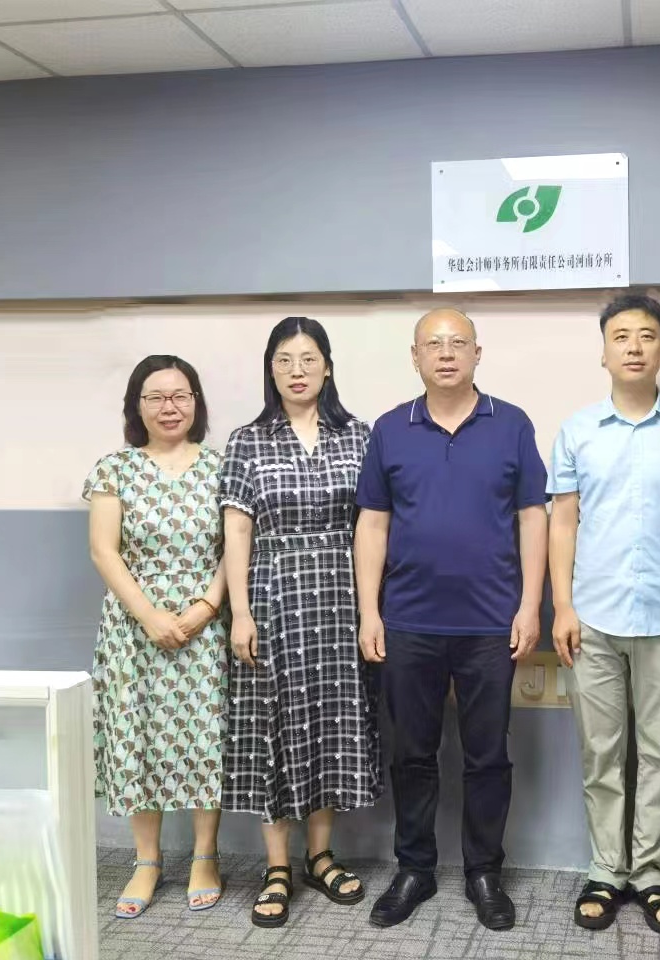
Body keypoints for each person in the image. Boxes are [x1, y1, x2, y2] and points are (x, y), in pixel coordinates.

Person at [354, 308, 548, 931]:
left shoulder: (511, 424)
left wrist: (530, 605)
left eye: (457, 342)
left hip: (491, 623)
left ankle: (484, 871)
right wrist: (370, 612)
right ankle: (415, 868)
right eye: (432, 344)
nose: (445, 353)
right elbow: (373, 524)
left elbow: (533, 517)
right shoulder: (391, 429)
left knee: (487, 755)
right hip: (408, 621)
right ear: (414, 357)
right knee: (412, 753)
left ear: (476, 353)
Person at [547, 294, 660, 935]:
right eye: (621, 335)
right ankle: (606, 870)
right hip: (593, 618)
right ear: (603, 352)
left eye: (646, 335)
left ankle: (650, 873)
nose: (633, 346)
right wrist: (562, 605)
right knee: (601, 753)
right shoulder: (577, 431)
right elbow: (562, 522)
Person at [219, 317, 382, 929]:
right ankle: (277, 867)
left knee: (332, 724)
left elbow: (372, 525)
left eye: (308, 359)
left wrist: (371, 609)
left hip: (341, 597)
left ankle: (320, 856)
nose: (297, 371)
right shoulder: (247, 440)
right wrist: (240, 611)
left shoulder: (359, 435)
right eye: (284, 360)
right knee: (276, 725)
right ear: (271, 369)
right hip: (273, 596)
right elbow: (237, 529)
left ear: (328, 367)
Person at [84, 355, 229, 918]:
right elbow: (104, 551)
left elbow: (236, 546)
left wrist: (205, 606)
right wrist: (149, 615)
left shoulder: (222, 467)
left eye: (180, 395)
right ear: (136, 406)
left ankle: (205, 856)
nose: (170, 407)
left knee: (205, 737)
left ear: (196, 403)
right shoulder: (113, 469)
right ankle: (146, 860)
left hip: (205, 625)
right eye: (156, 397)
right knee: (138, 737)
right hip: (134, 628)